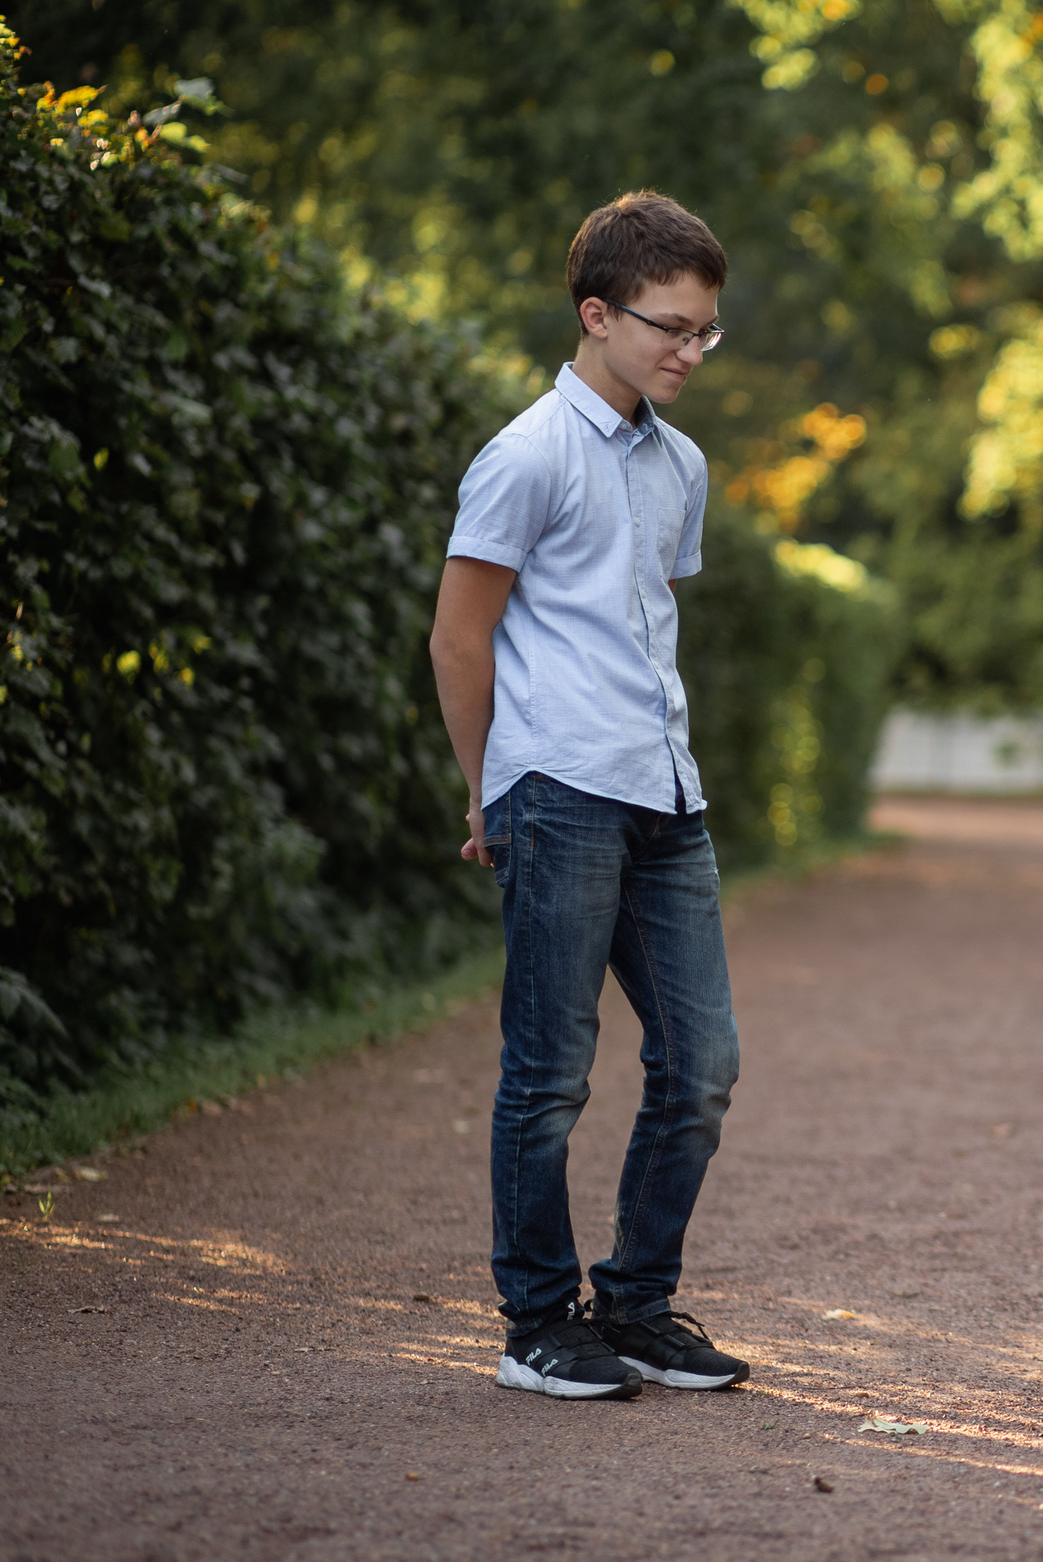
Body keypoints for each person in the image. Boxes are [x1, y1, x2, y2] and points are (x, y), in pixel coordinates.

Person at [429, 191, 749, 1402]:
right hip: (555, 789)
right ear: (596, 313)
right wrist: (487, 793)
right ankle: (534, 1323)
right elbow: (461, 642)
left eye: (706, 331)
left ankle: (635, 1303)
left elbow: (638, 623)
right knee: (550, 1067)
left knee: (703, 1062)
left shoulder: (683, 466)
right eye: (670, 326)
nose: (689, 350)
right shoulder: (524, 455)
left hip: (667, 796)